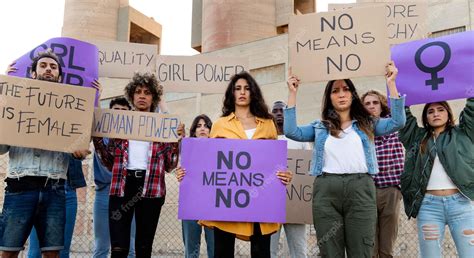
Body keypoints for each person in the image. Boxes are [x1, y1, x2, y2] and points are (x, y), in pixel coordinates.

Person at [284, 61, 406, 258]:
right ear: (329, 97)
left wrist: (391, 83)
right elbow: (291, 131)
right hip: (326, 190)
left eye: (346, 89)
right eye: (335, 90)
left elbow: (397, 122)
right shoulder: (320, 126)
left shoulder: (368, 124)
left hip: (361, 188)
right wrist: (292, 92)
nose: (341, 94)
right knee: (330, 250)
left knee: (362, 248)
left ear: (352, 94)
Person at [189, 71, 293, 258]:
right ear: (232, 93)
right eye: (238, 88)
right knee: (223, 252)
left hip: (260, 199)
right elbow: (210, 163)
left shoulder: (268, 123)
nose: (242, 92)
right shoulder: (220, 125)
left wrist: (284, 173)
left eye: (247, 88)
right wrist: (188, 174)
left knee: (261, 252)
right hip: (227, 201)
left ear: (253, 92)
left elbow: (275, 161)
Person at [0, 50, 91, 258]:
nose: (48, 69)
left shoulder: (71, 110)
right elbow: (1, 149)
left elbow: (80, 150)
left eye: (53, 67)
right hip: (20, 186)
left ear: (59, 76)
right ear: (33, 74)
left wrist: (79, 152)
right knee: (8, 252)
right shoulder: (14, 104)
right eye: (43, 66)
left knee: (51, 254)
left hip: (54, 188)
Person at [93, 72, 184, 258]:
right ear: (132, 96)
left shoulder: (163, 127)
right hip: (122, 187)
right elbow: (108, 161)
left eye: (147, 92)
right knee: (118, 248)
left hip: (151, 188)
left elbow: (169, 165)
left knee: (144, 247)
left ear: (154, 98)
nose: (142, 95)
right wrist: (97, 137)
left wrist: (176, 140)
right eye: (138, 92)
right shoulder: (121, 125)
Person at [399, 98, 474, 258]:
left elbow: (472, 110)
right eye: (430, 111)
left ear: (448, 113)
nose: (436, 114)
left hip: (461, 205)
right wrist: (394, 85)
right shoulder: (416, 138)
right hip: (429, 207)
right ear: (425, 117)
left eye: (440, 109)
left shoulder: (464, 134)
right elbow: (401, 114)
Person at [361, 90, 405, 258]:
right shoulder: (360, 132)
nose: (371, 106)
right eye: (367, 103)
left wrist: (391, 84)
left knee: (387, 247)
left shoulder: (395, 127)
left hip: (390, 190)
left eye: (375, 102)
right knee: (369, 246)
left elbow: (400, 110)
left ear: (381, 106)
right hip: (367, 191)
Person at [93, 97, 136, 258]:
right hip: (104, 192)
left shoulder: (134, 140)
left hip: (128, 194)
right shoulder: (102, 135)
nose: (120, 115)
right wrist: (97, 96)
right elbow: (94, 117)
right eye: (116, 111)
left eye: (124, 112)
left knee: (129, 245)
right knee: (101, 245)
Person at [270, 101, 309, 258]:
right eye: (275, 111)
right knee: (269, 250)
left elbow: (307, 170)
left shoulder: (299, 139)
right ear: (270, 114)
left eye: (283, 110)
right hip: (270, 206)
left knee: (298, 250)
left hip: (296, 203)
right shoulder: (265, 139)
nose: (279, 113)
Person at [27, 156, 87, 258]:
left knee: (62, 251)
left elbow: (82, 148)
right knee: (35, 251)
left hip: (66, 185)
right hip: (39, 182)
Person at [176, 114, 215, 258]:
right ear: (193, 131)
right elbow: (176, 167)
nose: (203, 129)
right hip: (191, 203)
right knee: (191, 250)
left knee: (215, 248)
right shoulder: (185, 149)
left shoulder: (220, 151)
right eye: (198, 126)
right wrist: (179, 173)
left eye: (206, 126)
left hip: (214, 205)